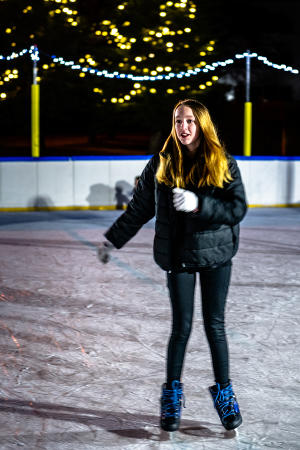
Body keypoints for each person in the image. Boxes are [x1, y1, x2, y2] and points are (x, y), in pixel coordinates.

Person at [98, 99, 247, 432]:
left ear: (202, 124)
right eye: (179, 121)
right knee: (181, 328)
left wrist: (199, 205)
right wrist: (113, 239)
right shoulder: (161, 163)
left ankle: (225, 394)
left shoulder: (222, 162)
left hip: (215, 255)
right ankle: (172, 396)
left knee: (215, 326)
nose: (184, 127)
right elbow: (139, 209)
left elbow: (237, 209)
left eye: (190, 121)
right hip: (178, 255)